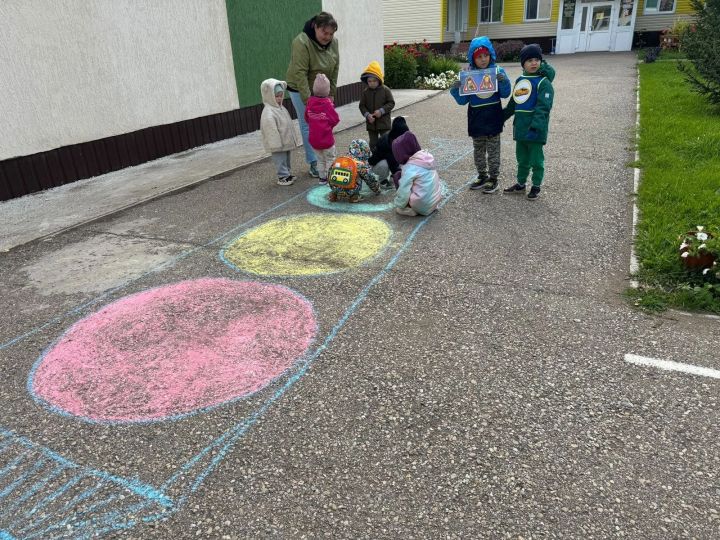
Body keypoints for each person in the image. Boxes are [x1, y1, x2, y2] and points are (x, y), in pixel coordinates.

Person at [449, 36, 511, 194]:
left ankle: (493, 178)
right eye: (479, 57)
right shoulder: (469, 75)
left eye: (486, 55)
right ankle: (482, 175)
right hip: (476, 118)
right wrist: (456, 88)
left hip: (493, 117)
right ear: (473, 58)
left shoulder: (497, 71)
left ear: (490, 55)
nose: (483, 59)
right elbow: (462, 101)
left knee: (493, 150)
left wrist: (503, 81)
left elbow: (505, 94)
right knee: (478, 150)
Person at [286, 12, 339, 179]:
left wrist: (331, 94)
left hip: (322, 88)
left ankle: (326, 156)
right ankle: (314, 162)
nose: (328, 37)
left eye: (331, 34)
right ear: (315, 27)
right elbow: (300, 73)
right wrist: (309, 101)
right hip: (301, 87)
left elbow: (335, 68)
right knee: (309, 123)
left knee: (324, 121)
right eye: (325, 32)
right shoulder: (301, 42)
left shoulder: (334, 42)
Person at [502, 44, 556, 200]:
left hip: (535, 131)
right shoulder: (521, 80)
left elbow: (543, 107)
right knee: (522, 159)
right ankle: (520, 184)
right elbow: (514, 102)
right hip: (520, 129)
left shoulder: (543, 82)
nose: (533, 63)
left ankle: (536, 186)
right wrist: (501, 116)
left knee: (536, 160)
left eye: (537, 59)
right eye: (529, 60)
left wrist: (536, 127)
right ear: (523, 64)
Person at [259, 78, 301, 186]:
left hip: (285, 141)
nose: (279, 98)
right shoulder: (268, 112)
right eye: (276, 96)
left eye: (281, 95)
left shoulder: (280, 107)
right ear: (270, 96)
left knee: (286, 158)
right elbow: (271, 130)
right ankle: (282, 176)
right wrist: (275, 143)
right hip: (278, 143)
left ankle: (287, 173)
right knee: (280, 158)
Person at [391, 131, 443, 216]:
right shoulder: (426, 158)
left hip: (422, 205)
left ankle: (412, 210)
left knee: (398, 177)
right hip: (435, 201)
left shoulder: (409, 168)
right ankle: (425, 207)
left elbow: (404, 191)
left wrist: (399, 205)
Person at [305, 74, 340, 185]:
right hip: (326, 138)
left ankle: (322, 178)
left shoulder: (310, 102)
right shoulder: (327, 104)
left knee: (320, 159)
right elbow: (335, 119)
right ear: (327, 90)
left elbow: (306, 117)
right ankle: (331, 178)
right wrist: (328, 126)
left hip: (314, 139)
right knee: (330, 158)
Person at [327, 139, 381, 203]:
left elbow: (329, 173)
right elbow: (369, 178)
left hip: (334, 186)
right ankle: (354, 196)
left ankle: (334, 194)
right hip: (350, 189)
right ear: (364, 151)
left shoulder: (340, 160)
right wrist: (376, 189)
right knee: (359, 176)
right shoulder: (360, 164)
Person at [359, 61, 395, 152]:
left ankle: (388, 159)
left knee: (386, 142)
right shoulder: (365, 92)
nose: (372, 83)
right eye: (369, 81)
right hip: (372, 124)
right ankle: (375, 160)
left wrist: (381, 111)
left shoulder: (385, 90)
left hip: (384, 123)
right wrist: (367, 115)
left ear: (379, 79)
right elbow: (362, 106)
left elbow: (391, 103)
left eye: (374, 81)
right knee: (373, 144)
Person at [368, 116, 409, 190]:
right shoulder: (387, 142)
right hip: (376, 164)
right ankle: (381, 180)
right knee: (384, 164)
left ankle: (389, 174)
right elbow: (392, 162)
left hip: (389, 161)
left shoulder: (396, 137)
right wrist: (399, 177)